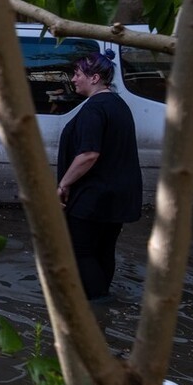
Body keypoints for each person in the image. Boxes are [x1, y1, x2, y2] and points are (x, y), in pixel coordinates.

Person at [56, 52, 142, 300]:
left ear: (94, 78)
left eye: (78, 74)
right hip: (117, 196)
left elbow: (88, 154)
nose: (73, 79)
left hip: (94, 196)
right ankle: (103, 305)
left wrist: (63, 184)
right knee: (104, 249)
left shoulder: (95, 109)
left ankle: (97, 305)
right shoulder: (118, 105)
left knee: (79, 250)